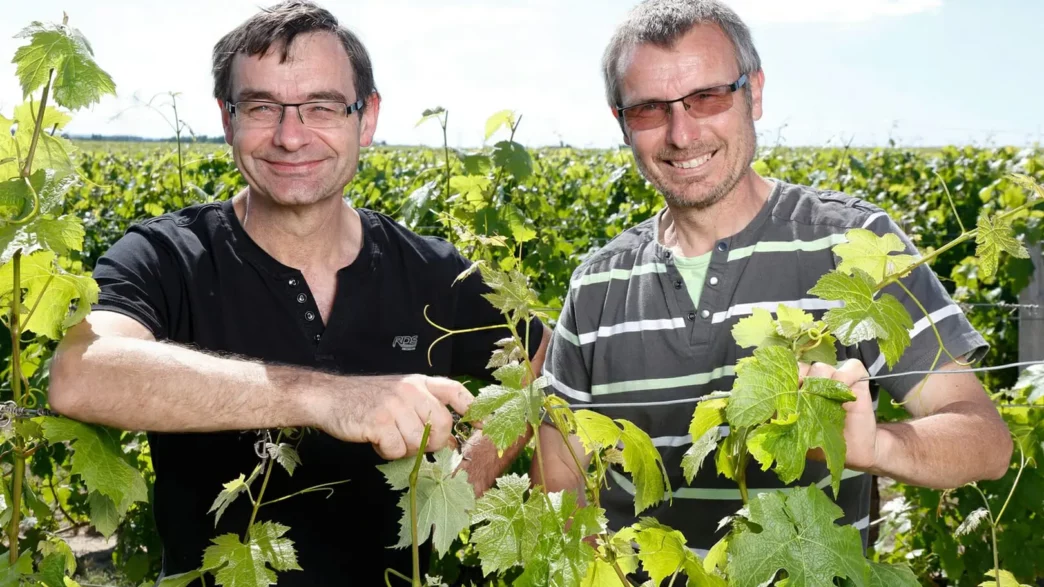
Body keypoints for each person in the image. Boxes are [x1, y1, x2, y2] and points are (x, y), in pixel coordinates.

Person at [47, 1, 547, 585]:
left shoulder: (434, 272)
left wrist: (472, 473)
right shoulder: (167, 257)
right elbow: (81, 373)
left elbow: (543, 358)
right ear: (227, 119)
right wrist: (324, 398)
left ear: (367, 118)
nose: (290, 136)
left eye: (323, 106)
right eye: (261, 106)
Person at [533, 0, 1013, 574]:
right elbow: (560, 478)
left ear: (754, 93)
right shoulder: (595, 284)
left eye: (708, 97)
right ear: (621, 121)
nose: (682, 133)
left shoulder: (857, 245)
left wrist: (878, 446)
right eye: (649, 110)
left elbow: (985, 440)